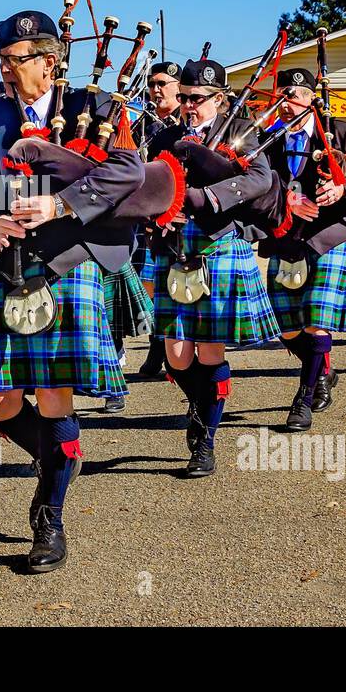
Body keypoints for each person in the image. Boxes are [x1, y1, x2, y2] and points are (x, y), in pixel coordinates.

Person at [0, 10, 143, 572]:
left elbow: (129, 174)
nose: (9, 73)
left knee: (51, 394)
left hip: (69, 262)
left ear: (50, 59)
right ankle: (60, 456)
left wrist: (61, 203)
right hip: (9, 265)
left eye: (18, 62)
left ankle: (49, 516)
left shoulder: (98, 108)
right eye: (4, 62)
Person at [146, 58, 281, 476]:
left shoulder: (240, 133)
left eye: (197, 99)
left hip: (218, 247)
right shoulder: (165, 136)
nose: (188, 105)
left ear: (219, 100)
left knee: (207, 352)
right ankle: (202, 403)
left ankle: (204, 439)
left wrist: (208, 198)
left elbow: (261, 180)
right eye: (184, 97)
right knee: (177, 357)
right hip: (174, 249)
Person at [258, 68, 346, 433]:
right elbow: (257, 189)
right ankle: (323, 367)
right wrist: (283, 202)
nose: (287, 103)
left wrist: (344, 190)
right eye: (282, 96)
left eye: (295, 96)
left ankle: (304, 397)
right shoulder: (267, 141)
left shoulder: (340, 132)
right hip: (285, 238)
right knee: (285, 328)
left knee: (315, 323)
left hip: (327, 237)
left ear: (312, 99)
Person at [136, 60, 185, 379]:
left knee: (177, 283)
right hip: (148, 214)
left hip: (181, 216)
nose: (156, 89)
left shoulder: (189, 123)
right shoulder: (144, 124)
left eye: (163, 83)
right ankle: (158, 341)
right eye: (152, 83)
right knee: (150, 284)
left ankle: (174, 347)